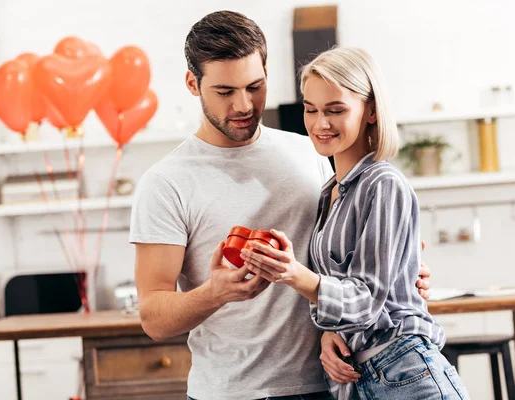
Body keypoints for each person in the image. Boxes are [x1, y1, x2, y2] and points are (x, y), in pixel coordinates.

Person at [130, 11, 431, 400]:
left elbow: (346, 267)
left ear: (268, 71)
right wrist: (216, 292)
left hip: (328, 384)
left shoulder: (310, 152)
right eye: (225, 92)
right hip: (231, 393)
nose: (243, 104)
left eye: (254, 86)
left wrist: (399, 271)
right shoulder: (167, 182)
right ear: (193, 83)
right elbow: (153, 316)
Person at [241, 47, 469, 399]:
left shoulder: (384, 184)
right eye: (311, 109)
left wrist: (293, 273)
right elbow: (345, 293)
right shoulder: (330, 192)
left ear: (372, 111)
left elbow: (365, 300)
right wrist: (329, 334)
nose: (321, 123)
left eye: (336, 110)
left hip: (406, 371)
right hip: (360, 379)